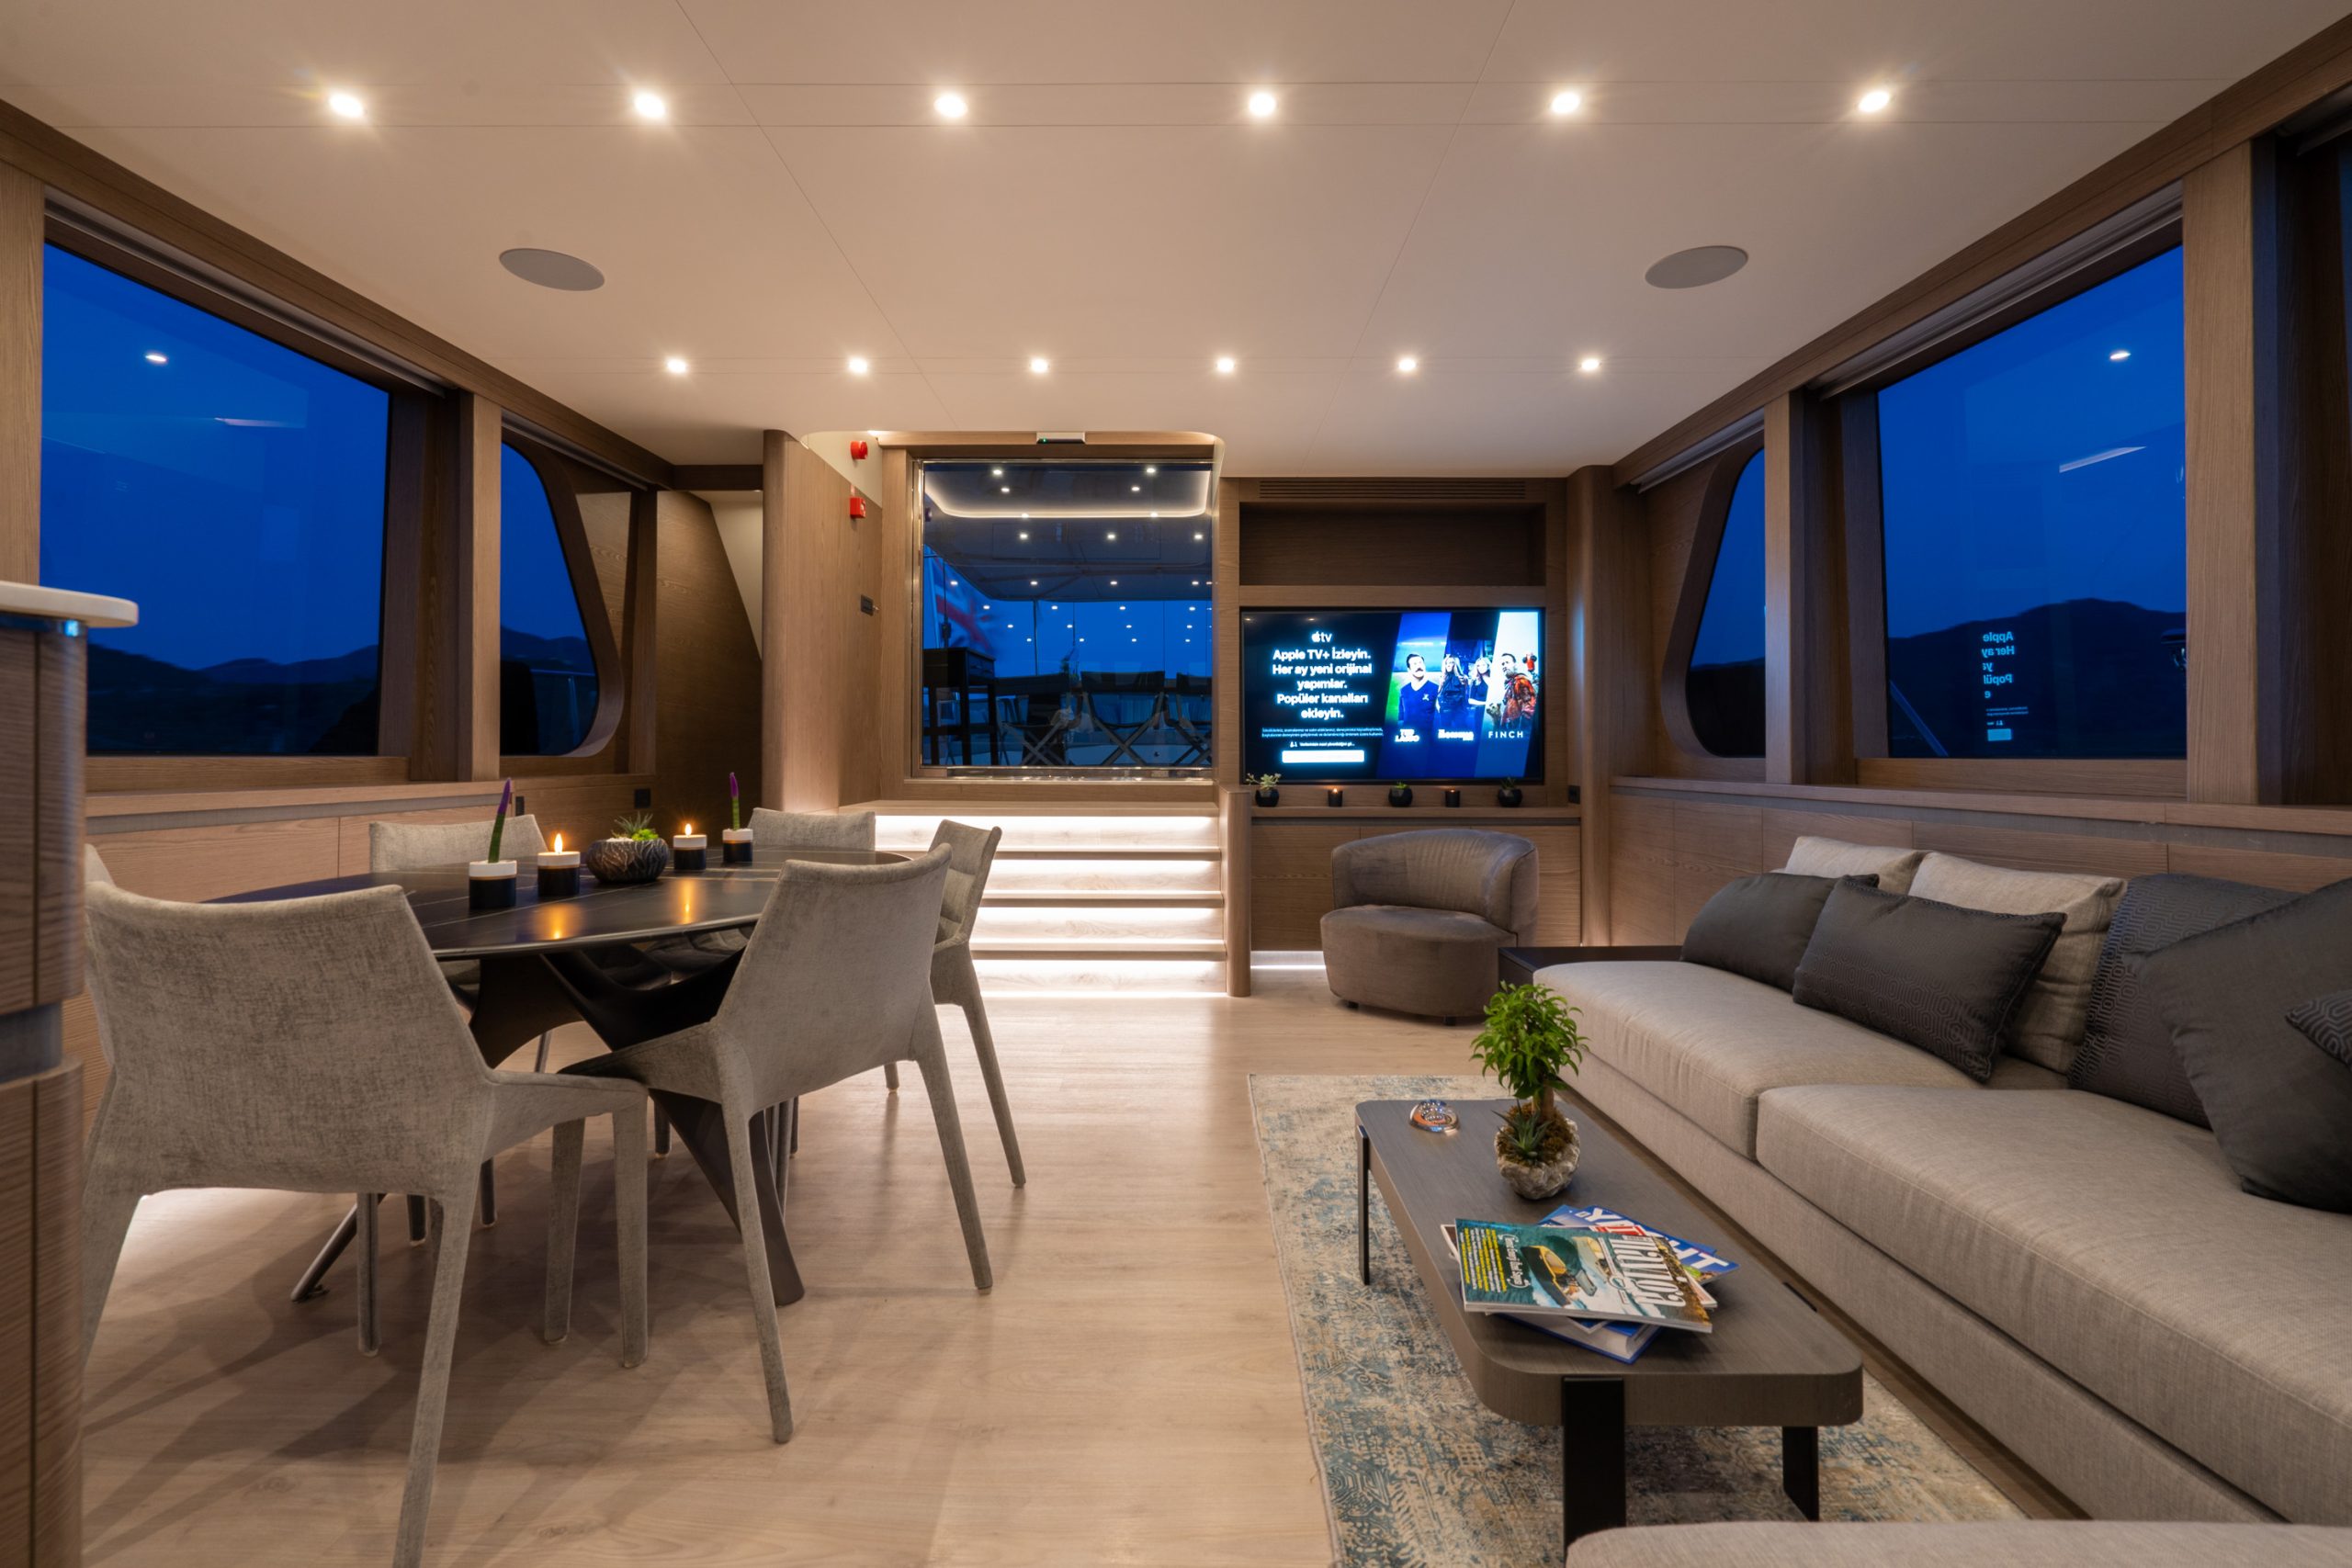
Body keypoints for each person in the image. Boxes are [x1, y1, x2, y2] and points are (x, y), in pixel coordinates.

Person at [1394, 651, 1439, 743]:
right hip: (1408, 739)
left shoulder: (1435, 688)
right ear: (1409, 669)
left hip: (1428, 739)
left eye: (1420, 663)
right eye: (1414, 664)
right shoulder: (1403, 690)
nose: (1419, 666)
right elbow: (1401, 712)